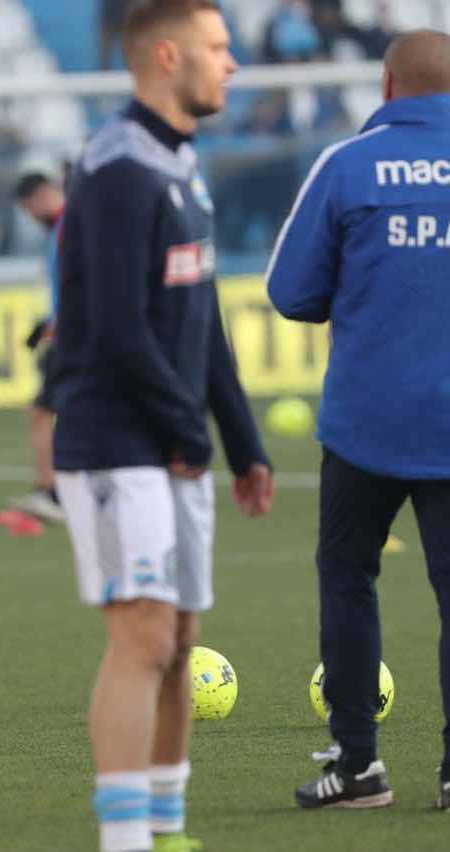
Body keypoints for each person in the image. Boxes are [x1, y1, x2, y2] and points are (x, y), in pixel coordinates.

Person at [51, 3, 273, 850]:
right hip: (115, 441)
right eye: (218, 47)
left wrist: (242, 440)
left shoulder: (180, 161)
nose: (232, 63)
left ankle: (167, 827)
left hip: (170, 440)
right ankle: (125, 840)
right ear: (168, 56)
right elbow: (114, 327)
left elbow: (199, 314)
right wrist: (189, 430)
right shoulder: (117, 166)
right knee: (144, 636)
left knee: (179, 639)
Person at [267, 28, 450, 811]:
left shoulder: (346, 165)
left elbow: (290, 292)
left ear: (387, 84)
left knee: (348, 579)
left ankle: (359, 765)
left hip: (367, 420)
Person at [8, 172, 66, 524]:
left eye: (29, 209)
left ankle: (52, 492)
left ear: (42, 196)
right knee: (51, 410)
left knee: (43, 411)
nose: (31, 217)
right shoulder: (63, 229)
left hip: (71, 338)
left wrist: (55, 325)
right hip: (66, 333)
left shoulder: (66, 229)